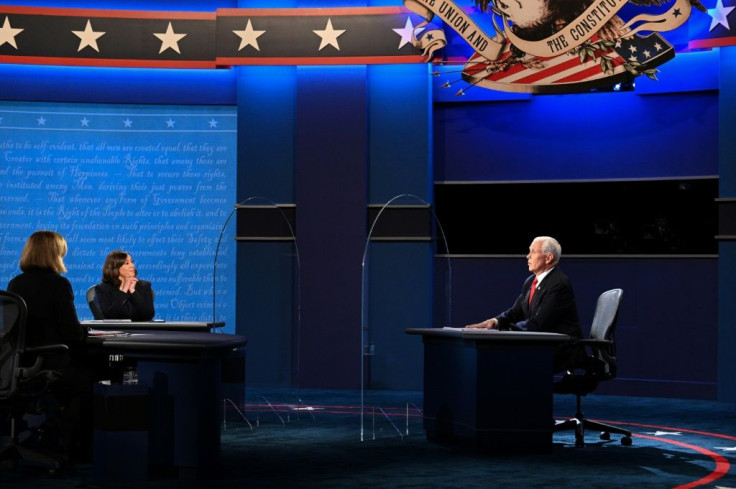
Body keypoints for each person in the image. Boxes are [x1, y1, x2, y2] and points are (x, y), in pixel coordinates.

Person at [6, 230, 92, 461]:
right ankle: (67, 446)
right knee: (92, 377)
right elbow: (72, 334)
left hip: (16, 365)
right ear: (55, 254)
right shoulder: (59, 285)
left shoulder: (15, 283)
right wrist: (87, 333)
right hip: (48, 363)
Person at [465, 236, 584, 373]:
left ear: (548, 258)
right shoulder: (530, 281)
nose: (528, 256)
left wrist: (505, 333)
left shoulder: (559, 284)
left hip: (561, 348)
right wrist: (493, 322)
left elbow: (539, 323)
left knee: (503, 356)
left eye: (533, 251)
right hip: (542, 344)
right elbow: (516, 312)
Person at [93, 250, 155, 322]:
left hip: (140, 330)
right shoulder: (103, 289)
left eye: (132, 262)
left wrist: (133, 291)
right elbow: (109, 317)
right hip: (115, 330)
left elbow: (148, 315)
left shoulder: (144, 286)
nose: (132, 265)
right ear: (115, 267)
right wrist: (123, 292)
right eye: (127, 263)